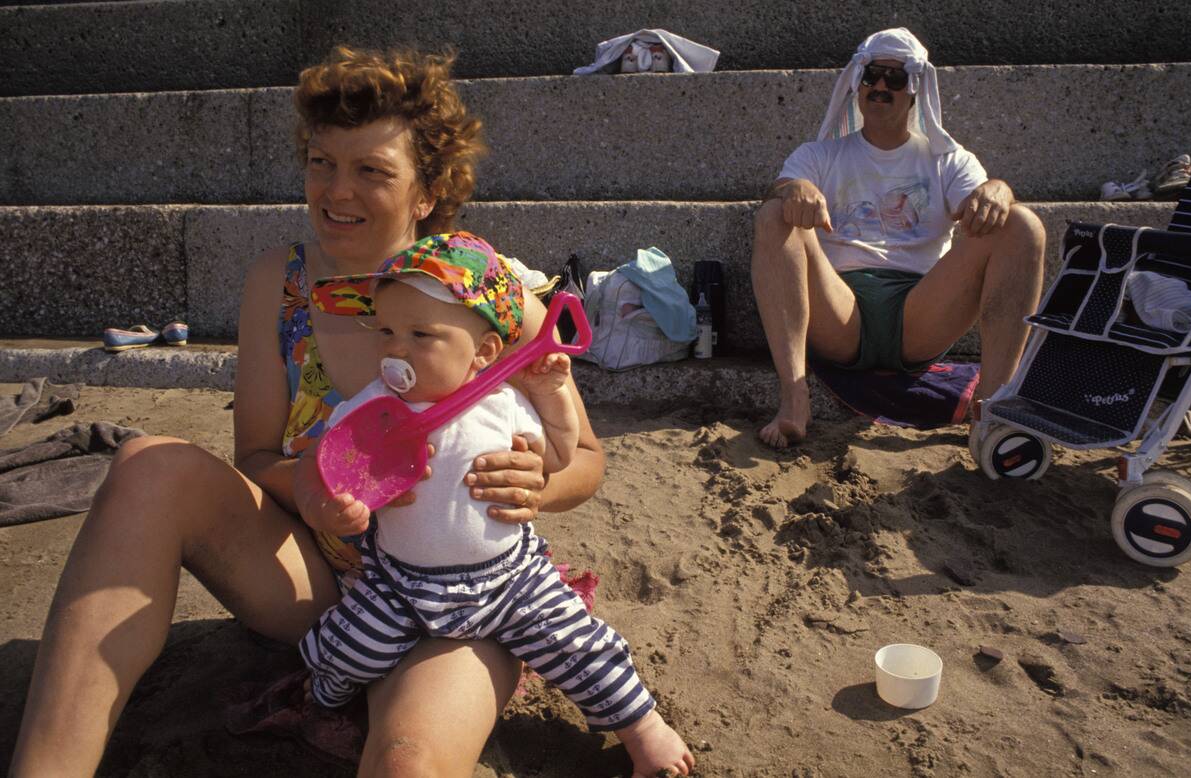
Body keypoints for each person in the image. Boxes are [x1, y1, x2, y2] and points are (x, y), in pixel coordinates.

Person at [10, 47, 607, 777]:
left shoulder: (488, 294)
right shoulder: (280, 281)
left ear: (427, 192)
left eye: (371, 170)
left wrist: (534, 487)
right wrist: (319, 495)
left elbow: (586, 460)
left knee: (406, 760)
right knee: (146, 467)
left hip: (470, 595)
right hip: (330, 582)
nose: (336, 190)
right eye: (321, 162)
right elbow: (257, 458)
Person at [299, 231, 693, 778]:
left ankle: (642, 730)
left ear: (484, 352)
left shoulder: (502, 403)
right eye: (386, 331)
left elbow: (559, 454)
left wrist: (554, 396)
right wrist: (335, 508)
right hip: (399, 582)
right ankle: (323, 694)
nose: (395, 349)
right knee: (345, 647)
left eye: (420, 334)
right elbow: (330, 471)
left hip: (510, 579)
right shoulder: (371, 408)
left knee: (580, 647)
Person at [752, 27, 1047, 448]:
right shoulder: (819, 155)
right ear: (857, 82)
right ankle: (794, 397)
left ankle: (992, 408)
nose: (880, 87)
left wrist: (999, 188)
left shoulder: (948, 160)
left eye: (895, 79)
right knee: (773, 216)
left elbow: (987, 207)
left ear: (915, 90)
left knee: (1023, 225)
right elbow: (782, 186)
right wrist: (791, 189)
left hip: (921, 311)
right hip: (839, 309)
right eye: (872, 75)